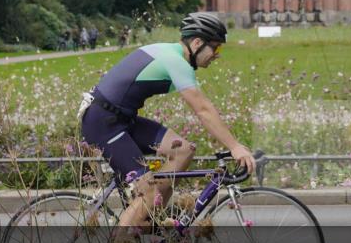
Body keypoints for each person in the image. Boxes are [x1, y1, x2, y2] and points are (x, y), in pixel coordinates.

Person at [80, 12, 256, 230]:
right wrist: (235, 147)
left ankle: (150, 214)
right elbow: (203, 110)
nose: (217, 55)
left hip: (121, 119)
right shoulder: (176, 61)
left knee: (183, 150)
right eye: (215, 48)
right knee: (149, 191)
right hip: (103, 124)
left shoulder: (170, 53)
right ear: (197, 43)